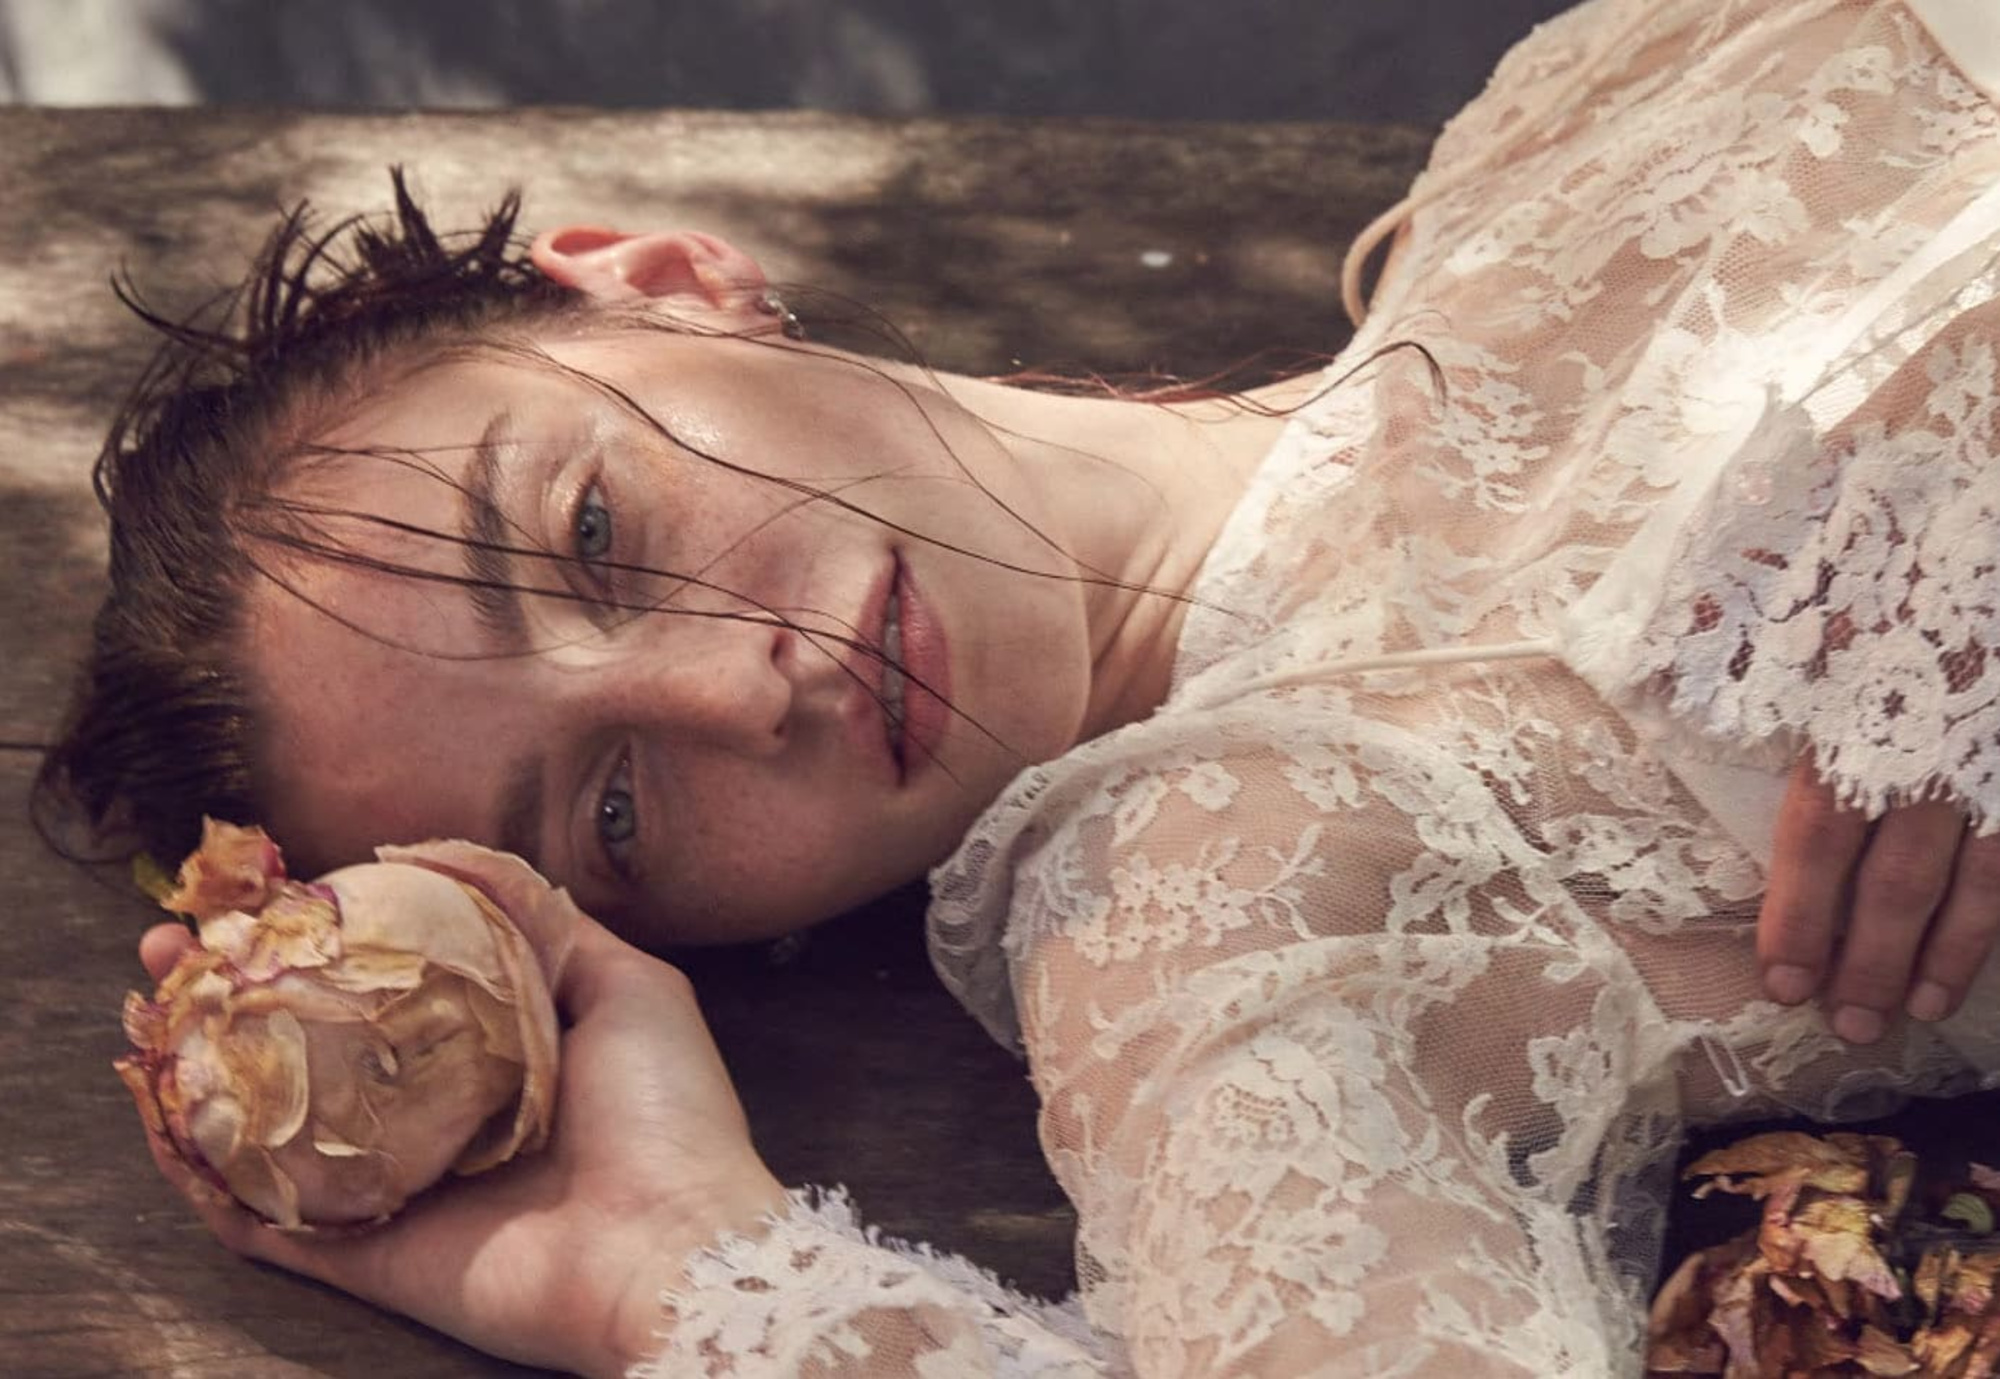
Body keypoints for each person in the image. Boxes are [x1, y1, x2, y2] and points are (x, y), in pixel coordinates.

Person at [35, 0, 2000, 1372]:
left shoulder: (1552, 125)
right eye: (615, 811)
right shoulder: (1223, 888)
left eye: (597, 529)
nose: (741, 690)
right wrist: (684, 1280)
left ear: (660, 285)